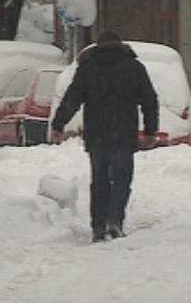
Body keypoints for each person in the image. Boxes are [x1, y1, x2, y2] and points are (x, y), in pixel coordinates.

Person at [51, 31, 159, 243]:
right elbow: (149, 100)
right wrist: (150, 131)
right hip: (123, 133)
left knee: (99, 181)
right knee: (121, 179)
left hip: (97, 134)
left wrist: (58, 124)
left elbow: (72, 98)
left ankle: (98, 227)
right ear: (120, 45)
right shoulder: (134, 68)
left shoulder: (88, 68)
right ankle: (115, 220)